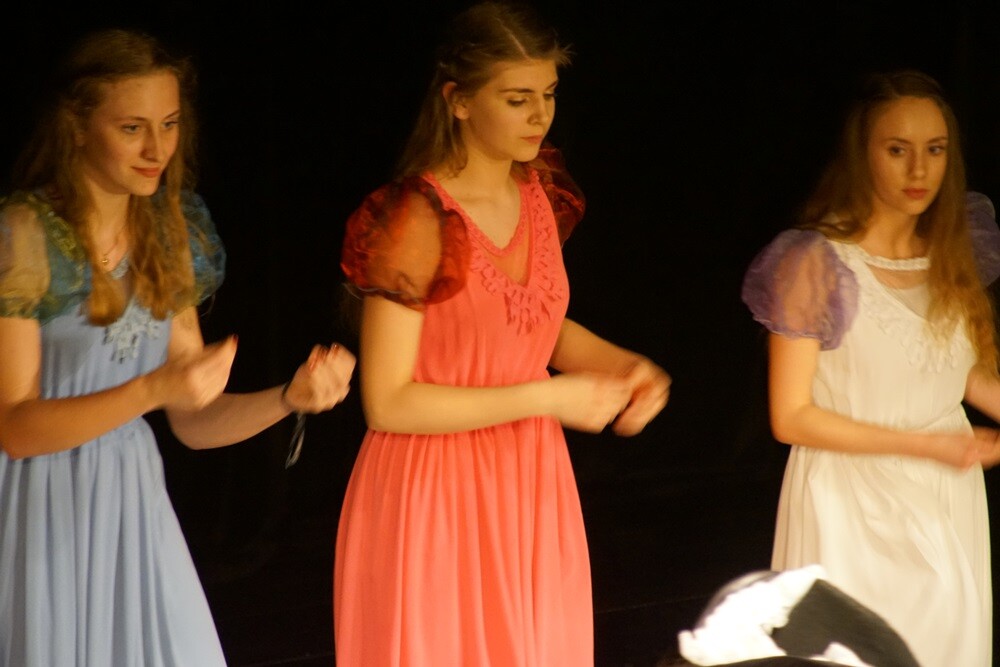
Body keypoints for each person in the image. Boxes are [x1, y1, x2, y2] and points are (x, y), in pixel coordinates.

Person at [0, 29, 356, 666]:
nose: (156, 148)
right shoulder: (24, 236)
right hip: (38, 502)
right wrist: (152, 389)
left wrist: (287, 398)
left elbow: (194, 421)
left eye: (168, 124)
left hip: (130, 500)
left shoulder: (171, 232)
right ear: (76, 126)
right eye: (131, 128)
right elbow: (16, 429)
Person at [334, 2, 671, 665]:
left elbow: (529, 325)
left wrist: (624, 366)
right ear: (458, 101)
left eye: (548, 94)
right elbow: (389, 401)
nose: (540, 115)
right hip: (434, 484)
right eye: (518, 99)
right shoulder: (415, 216)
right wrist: (548, 397)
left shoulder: (540, 194)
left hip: (528, 476)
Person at [741, 69, 1000, 666]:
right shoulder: (814, 261)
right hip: (851, 500)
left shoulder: (952, 250)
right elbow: (791, 416)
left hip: (944, 494)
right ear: (863, 154)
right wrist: (922, 445)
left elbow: (951, 371)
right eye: (898, 150)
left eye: (935, 150)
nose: (919, 170)